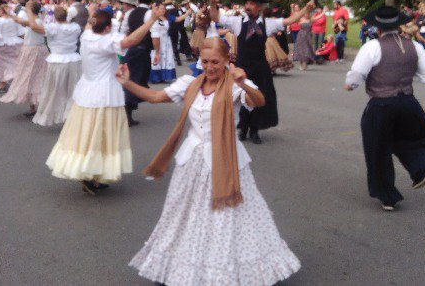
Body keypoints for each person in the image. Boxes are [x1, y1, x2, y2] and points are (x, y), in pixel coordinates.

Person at [118, 38, 301, 285]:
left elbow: (259, 101)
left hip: (226, 159)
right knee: (184, 214)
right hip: (192, 160)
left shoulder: (236, 83)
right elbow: (155, 97)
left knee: (227, 218)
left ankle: (225, 270)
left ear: (227, 60)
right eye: (205, 61)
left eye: (215, 62)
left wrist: (243, 84)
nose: (210, 67)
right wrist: (127, 82)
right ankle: (183, 265)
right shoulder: (190, 84)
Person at [46, 5, 166, 193]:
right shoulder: (105, 42)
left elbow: (92, 27)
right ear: (108, 27)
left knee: (86, 134)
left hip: (86, 92)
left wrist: (92, 13)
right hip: (105, 94)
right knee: (101, 135)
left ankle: (89, 172)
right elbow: (131, 40)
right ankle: (91, 174)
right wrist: (151, 21)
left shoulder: (87, 36)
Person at [345, 6, 425, 211]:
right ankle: (422, 168)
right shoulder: (414, 46)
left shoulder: (372, 47)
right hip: (407, 101)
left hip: (381, 104)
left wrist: (350, 85)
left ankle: (387, 196)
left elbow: (356, 76)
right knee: (411, 136)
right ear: (399, 25)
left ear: (377, 27)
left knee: (377, 148)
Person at [209, 0, 314, 144]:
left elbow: (290, 20)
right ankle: (242, 128)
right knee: (240, 97)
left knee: (259, 98)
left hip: (259, 67)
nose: (247, 6)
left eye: (251, 3)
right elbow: (216, 17)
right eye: (246, 3)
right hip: (242, 68)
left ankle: (254, 130)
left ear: (259, 7)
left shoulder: (268, 23)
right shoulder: (237, 21)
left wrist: (306, 9)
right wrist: (212, 4)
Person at [32, 7, 82, 127]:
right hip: (73, 59)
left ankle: (54, 114)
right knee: (73, 89)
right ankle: (71, 115)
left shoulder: (53, 27)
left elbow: (33, 27)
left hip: (57, 61)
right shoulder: (75, 27)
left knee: (54, 89)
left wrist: (29, 10)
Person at [1, 1, 49, 117]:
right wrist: (10, 14)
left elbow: (28, 24)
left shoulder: (36, 22)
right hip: (31, 50)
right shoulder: (33, 21)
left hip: (35, 51)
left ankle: (37, 106)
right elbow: (20, 21)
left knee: (33, 76)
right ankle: (33, 106)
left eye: (28, 8)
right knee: (31, 77)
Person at [119, 0, 155, 126]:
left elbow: (123, 32)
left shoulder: (130, 14)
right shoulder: (149, 13)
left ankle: (128, 110)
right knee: (135, 80)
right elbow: (155, 32)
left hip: (131, 49)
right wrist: (157, 51)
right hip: (142, 50)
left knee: (132, 78)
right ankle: (127, 112)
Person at [0, 4, 23, 93]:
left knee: (1, 64)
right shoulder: (14, 20)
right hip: (15, 42)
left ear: (1, 11)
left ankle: (2, 84)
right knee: (15, 62)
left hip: (2, 43)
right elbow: (20, 32)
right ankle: (16, 80)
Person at [148, 5, 178, 83]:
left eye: (164, 8)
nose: (163, 10)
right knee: (156, 56)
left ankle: (164, 76)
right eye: (161, 8)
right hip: (157, 39)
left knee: (166, 58)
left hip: (166, 40)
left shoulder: (166, 17)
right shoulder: (154, 17)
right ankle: (155, 77)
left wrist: (187, 13)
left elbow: (178, 19)